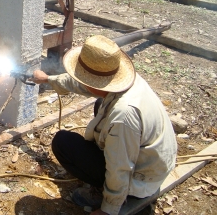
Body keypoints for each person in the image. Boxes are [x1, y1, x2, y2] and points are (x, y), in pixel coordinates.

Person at [30, 35, 177, 215]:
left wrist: (109, 209)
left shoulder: (123, 115)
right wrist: (49, 80)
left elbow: (120, 168)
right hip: (153, 161)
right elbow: (83, 85)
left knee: (63, 143)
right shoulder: (123, 82)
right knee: (101, 104)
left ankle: (105, 195)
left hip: (142, 178)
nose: (81, 81)